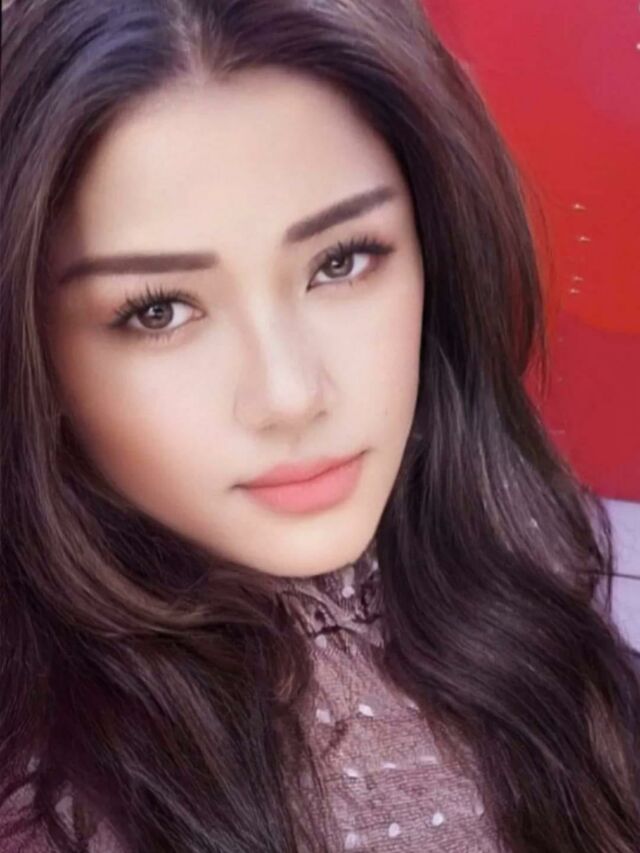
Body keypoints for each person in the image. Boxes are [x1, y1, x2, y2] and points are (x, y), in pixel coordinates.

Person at [1, 1, 638, 851]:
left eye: (341, 261)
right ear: (31, 349)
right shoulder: (46, 796)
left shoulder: (513, 561)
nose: (292, 394)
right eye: (158, 310)